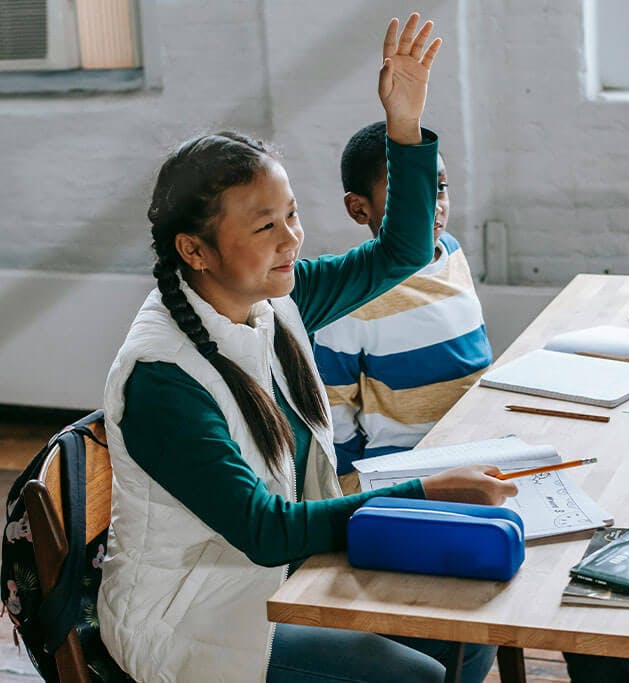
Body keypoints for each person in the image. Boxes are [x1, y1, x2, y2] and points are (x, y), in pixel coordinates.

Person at [97, 14, 518, 683]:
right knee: (415, 673)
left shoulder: (275, 299)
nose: (292, 239)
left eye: (292, 213)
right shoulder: (161, 378)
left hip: (283, 572)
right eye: (266, 225)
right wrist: (422, 493)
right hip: (197, 613)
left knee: (472, 624)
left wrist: (403, 124)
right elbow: (264, 530)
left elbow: (406, 251)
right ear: (195, 251)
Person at [314, 122, 493, 490]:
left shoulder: (452, 252)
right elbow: (334, 410)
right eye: (405, 193)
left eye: (439, 187)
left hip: (475, 442)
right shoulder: (352, 296)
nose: (433, 205)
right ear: (360, 209)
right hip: (408, 470)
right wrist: (353, 485)